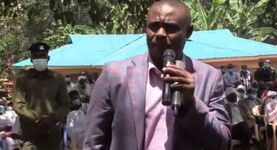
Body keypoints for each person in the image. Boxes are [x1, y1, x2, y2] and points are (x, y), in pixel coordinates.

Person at [83, 1, 231, 150]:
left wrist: (191, 104)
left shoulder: (210, 78)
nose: (160, 34)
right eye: (153, 26)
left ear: (188, 31)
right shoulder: (115, 75)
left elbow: (222, 142)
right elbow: (94, 141)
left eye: (170, 28)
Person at [12, 42, 70, 150]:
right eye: (37, 57)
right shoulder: (23, 79)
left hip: (52, 134)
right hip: (29, 135)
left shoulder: (57, 78)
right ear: (31, 59)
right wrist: (37, 118)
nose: (40, 60)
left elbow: (65, 105)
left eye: (42, 57)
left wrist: (52, 118)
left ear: (48, 58)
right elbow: (18, 104)